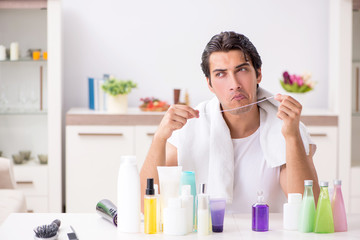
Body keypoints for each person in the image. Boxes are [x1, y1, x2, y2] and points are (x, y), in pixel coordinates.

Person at [140, 31, 319, 213]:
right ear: (209, 84)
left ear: (258, 74)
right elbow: (145, 207)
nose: (234, 84)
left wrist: (292, 137)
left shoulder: (284, 128)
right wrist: (159, 138)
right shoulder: (189, 128)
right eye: (220, 74)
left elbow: (309, 209)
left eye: (241, 70)